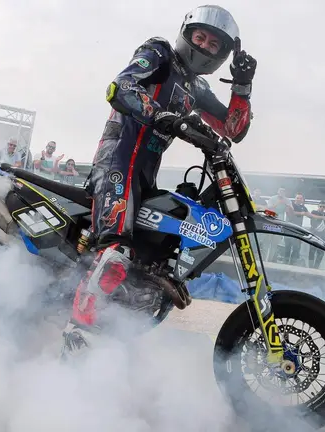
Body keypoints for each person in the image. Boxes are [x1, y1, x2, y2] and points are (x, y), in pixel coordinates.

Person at [62, 5, 257, 356]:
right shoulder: (159, 54)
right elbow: (119, 88)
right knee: (117, 251)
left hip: (145, 176)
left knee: (150, 254)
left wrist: (242, 87)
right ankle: (76, 338)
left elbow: (232, 129)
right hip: (117, 163)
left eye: (214, 44)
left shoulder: (195, 87)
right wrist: (163, 115)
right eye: (200, 37)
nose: (205, 45)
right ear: (186, 34)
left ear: (222, 53)